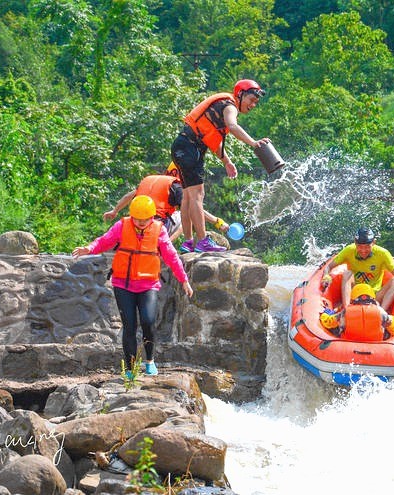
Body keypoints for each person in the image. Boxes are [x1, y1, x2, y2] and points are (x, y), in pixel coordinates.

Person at [73, 195, 194, 378]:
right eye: (137, 219)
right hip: (123, 284)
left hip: (148, 285)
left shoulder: (159, 230)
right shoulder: (122, 225)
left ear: (152, 217)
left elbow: (171, 256)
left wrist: (183, 279)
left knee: (148, 321)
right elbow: (104, 240)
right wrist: (89, 248)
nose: (140, 223)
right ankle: (130, 369)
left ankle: (150, 361)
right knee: (129, 325)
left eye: (145, 220)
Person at [171, 79, 271, 253]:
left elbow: (212, 140)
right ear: (240, 95)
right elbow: (232, 126)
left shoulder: (221, 107)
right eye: (251, 100)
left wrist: (226, 161)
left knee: (188, 198)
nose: (253, 105)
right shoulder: (230, 105)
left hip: (182, 146)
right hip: (190, 149)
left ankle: (188, 242)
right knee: (197, 196)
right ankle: (202, 241)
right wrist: (253, 143)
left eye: (256, 102)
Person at [102, 172, 230, 252]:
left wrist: (115, 211)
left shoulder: (151, 180)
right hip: (155, 227)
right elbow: (194, 209)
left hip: (134, 225)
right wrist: (217, 222)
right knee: (184, 212)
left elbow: (128, 196)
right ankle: (165, 245)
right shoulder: (176, 186)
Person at [321, 227, 394, 312]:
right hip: (355, 292)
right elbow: (328, 267)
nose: (363, 251)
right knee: (347, 273)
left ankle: (382, 314)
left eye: (367, 247)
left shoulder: (383, 254)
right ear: (355, 242)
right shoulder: (349, 250)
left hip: (375, 295)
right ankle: (346, 310)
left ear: (373, 243)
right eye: (359, 246)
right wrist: (326, 277)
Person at [320, 283, 394, 341]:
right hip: (376, 345)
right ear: (372, 297)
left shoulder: (345, 312)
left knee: (336, 326)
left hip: (348, 344)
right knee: (388, 327)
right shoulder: (380, 312)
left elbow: (329, 322)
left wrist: (325, 314)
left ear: (353, 298)